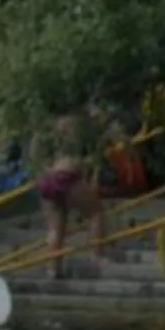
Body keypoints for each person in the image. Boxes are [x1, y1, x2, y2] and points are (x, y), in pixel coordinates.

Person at [35, 113, 106, 277]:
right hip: (67, 175)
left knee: (55, 228)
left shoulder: (49, 139)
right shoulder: (82, 137)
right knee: (96, 213)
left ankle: (53, 268)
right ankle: (97, 255)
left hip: (47, 178)